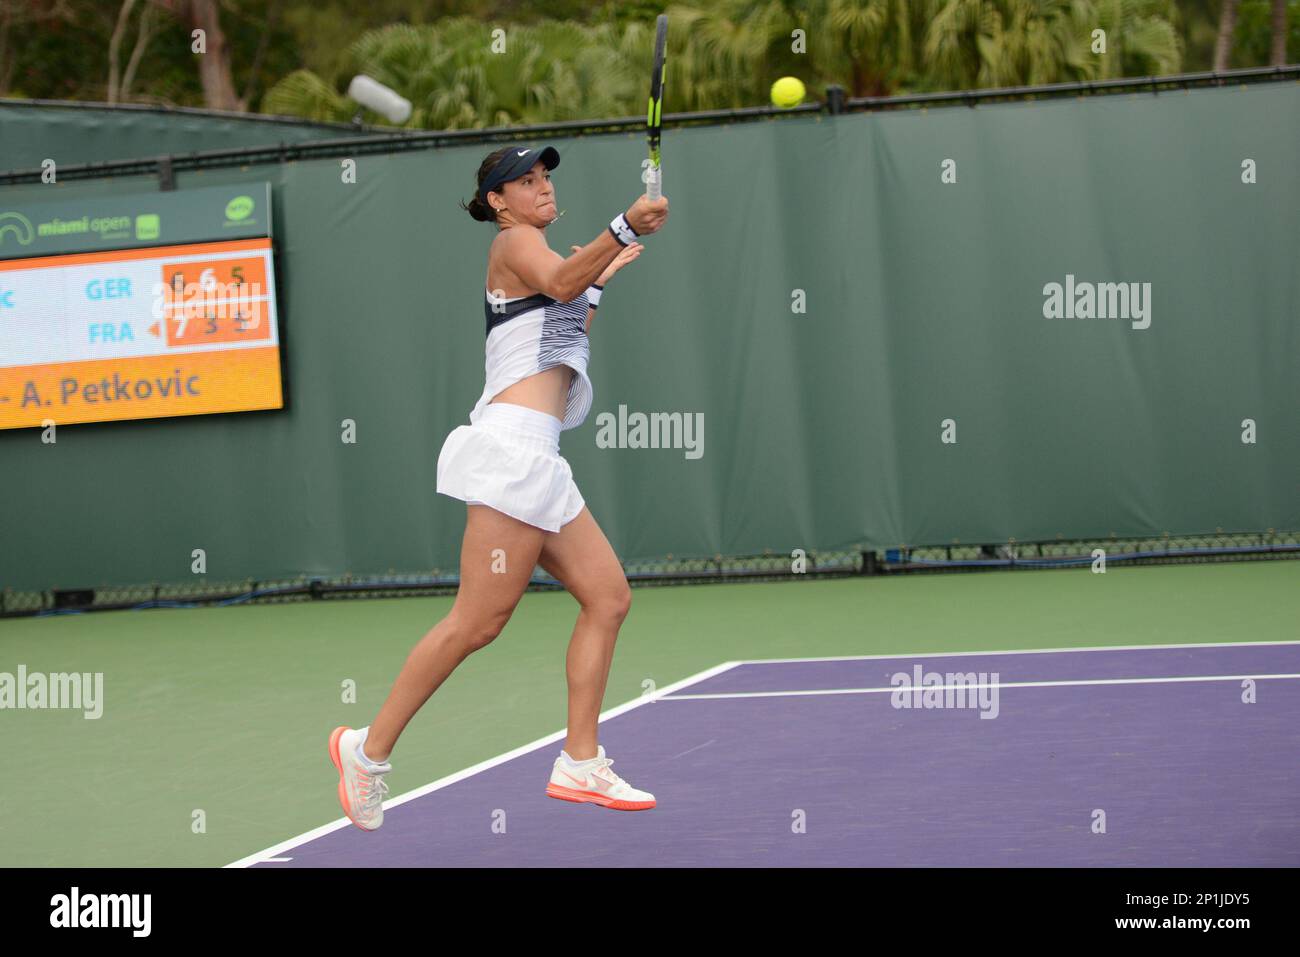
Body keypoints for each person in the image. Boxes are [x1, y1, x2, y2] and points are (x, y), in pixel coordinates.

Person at [329, 144, 670, 830]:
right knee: (477, 622)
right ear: (497, 202)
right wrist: (622, 230)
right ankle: (366, 751)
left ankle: (579, 758)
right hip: (510, 453)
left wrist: (601, 272)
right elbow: (564, 284)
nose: (542, 188)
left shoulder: (543, 260)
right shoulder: (517, 243)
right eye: (525, 181)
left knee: (607, 597)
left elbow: (567, 326)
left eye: (545, 177)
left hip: (540, 458)